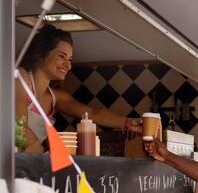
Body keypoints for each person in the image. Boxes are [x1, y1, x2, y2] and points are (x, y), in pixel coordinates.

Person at [16, 24, 142, 153]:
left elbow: (92, 113)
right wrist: (43, 156)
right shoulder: (19, 77)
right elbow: (19, 126)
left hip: (29, 163)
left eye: (70, 59)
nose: (68, 65)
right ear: (41, 54)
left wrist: (128, 123)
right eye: (61, 56)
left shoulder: (56, 97)